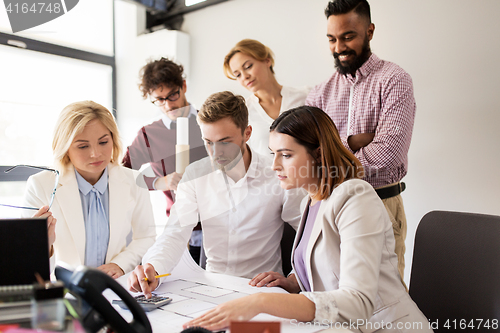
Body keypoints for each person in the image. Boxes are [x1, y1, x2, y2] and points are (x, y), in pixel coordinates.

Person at [184, 106, 431, 332]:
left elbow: (358, 303)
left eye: (286, 155)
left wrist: (263, 302)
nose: (274, 166)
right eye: (273, 154)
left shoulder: (355, 196)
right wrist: (294, 282)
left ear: (319, 154)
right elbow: (326, 267)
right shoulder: (309, 200)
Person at [127, 91, 306, 297]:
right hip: (211, 289)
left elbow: (309, 232)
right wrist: (153, 268)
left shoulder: (277, 174)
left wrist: (295, 278)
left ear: (247, 133)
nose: (215, 153)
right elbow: (175, 232)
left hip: (263, 290)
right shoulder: (195, 174)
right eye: (208, 142)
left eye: (224, 142)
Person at [305, 0, 416, 285]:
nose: (339, 47)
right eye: (332, 39)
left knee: (384, 305)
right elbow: (309, 157)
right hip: (329, 209)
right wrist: (354, 141)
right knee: (331, 295)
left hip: (381, 204)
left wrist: (333, 152)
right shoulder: (319, 94)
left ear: (369, 31)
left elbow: (387, 153)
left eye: (348, 36)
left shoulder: (395, 80)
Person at [23, 101, 156, 278]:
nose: (95, 153)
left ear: (113, 140)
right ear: (65, 147)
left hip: (116, 287)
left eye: (103, 142)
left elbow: (146, 236)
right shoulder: (40, 185)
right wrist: (43, 244)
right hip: (65, 292)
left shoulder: (133, 180)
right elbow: (25, 257)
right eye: (83, 146)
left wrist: (120, 265)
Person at [122, 58, 207, 264]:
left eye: (173, 95)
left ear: (183, 86)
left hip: (222, 223)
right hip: (181, 232)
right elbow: (123, 174)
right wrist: (161, 182)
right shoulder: (149, 135)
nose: (168, 105)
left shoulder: (210, 121)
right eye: (159, 99)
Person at [224, 39, 309, 157]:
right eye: (238, 75)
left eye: (248, 66)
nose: (245, 76)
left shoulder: (306, 96)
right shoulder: (243, 113)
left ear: (267, 60)